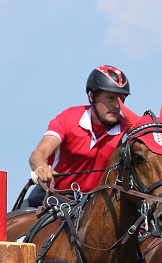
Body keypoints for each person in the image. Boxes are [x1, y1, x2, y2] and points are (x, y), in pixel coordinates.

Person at [26, 66, 131, 207]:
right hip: (58, 195)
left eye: (121, 99)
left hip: (100, 204)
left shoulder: (127, 131)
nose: (117, 105)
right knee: (17, 217)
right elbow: (38, 154)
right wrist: (41, 167)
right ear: (92, 97)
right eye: (111, 98)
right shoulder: (69, 118)